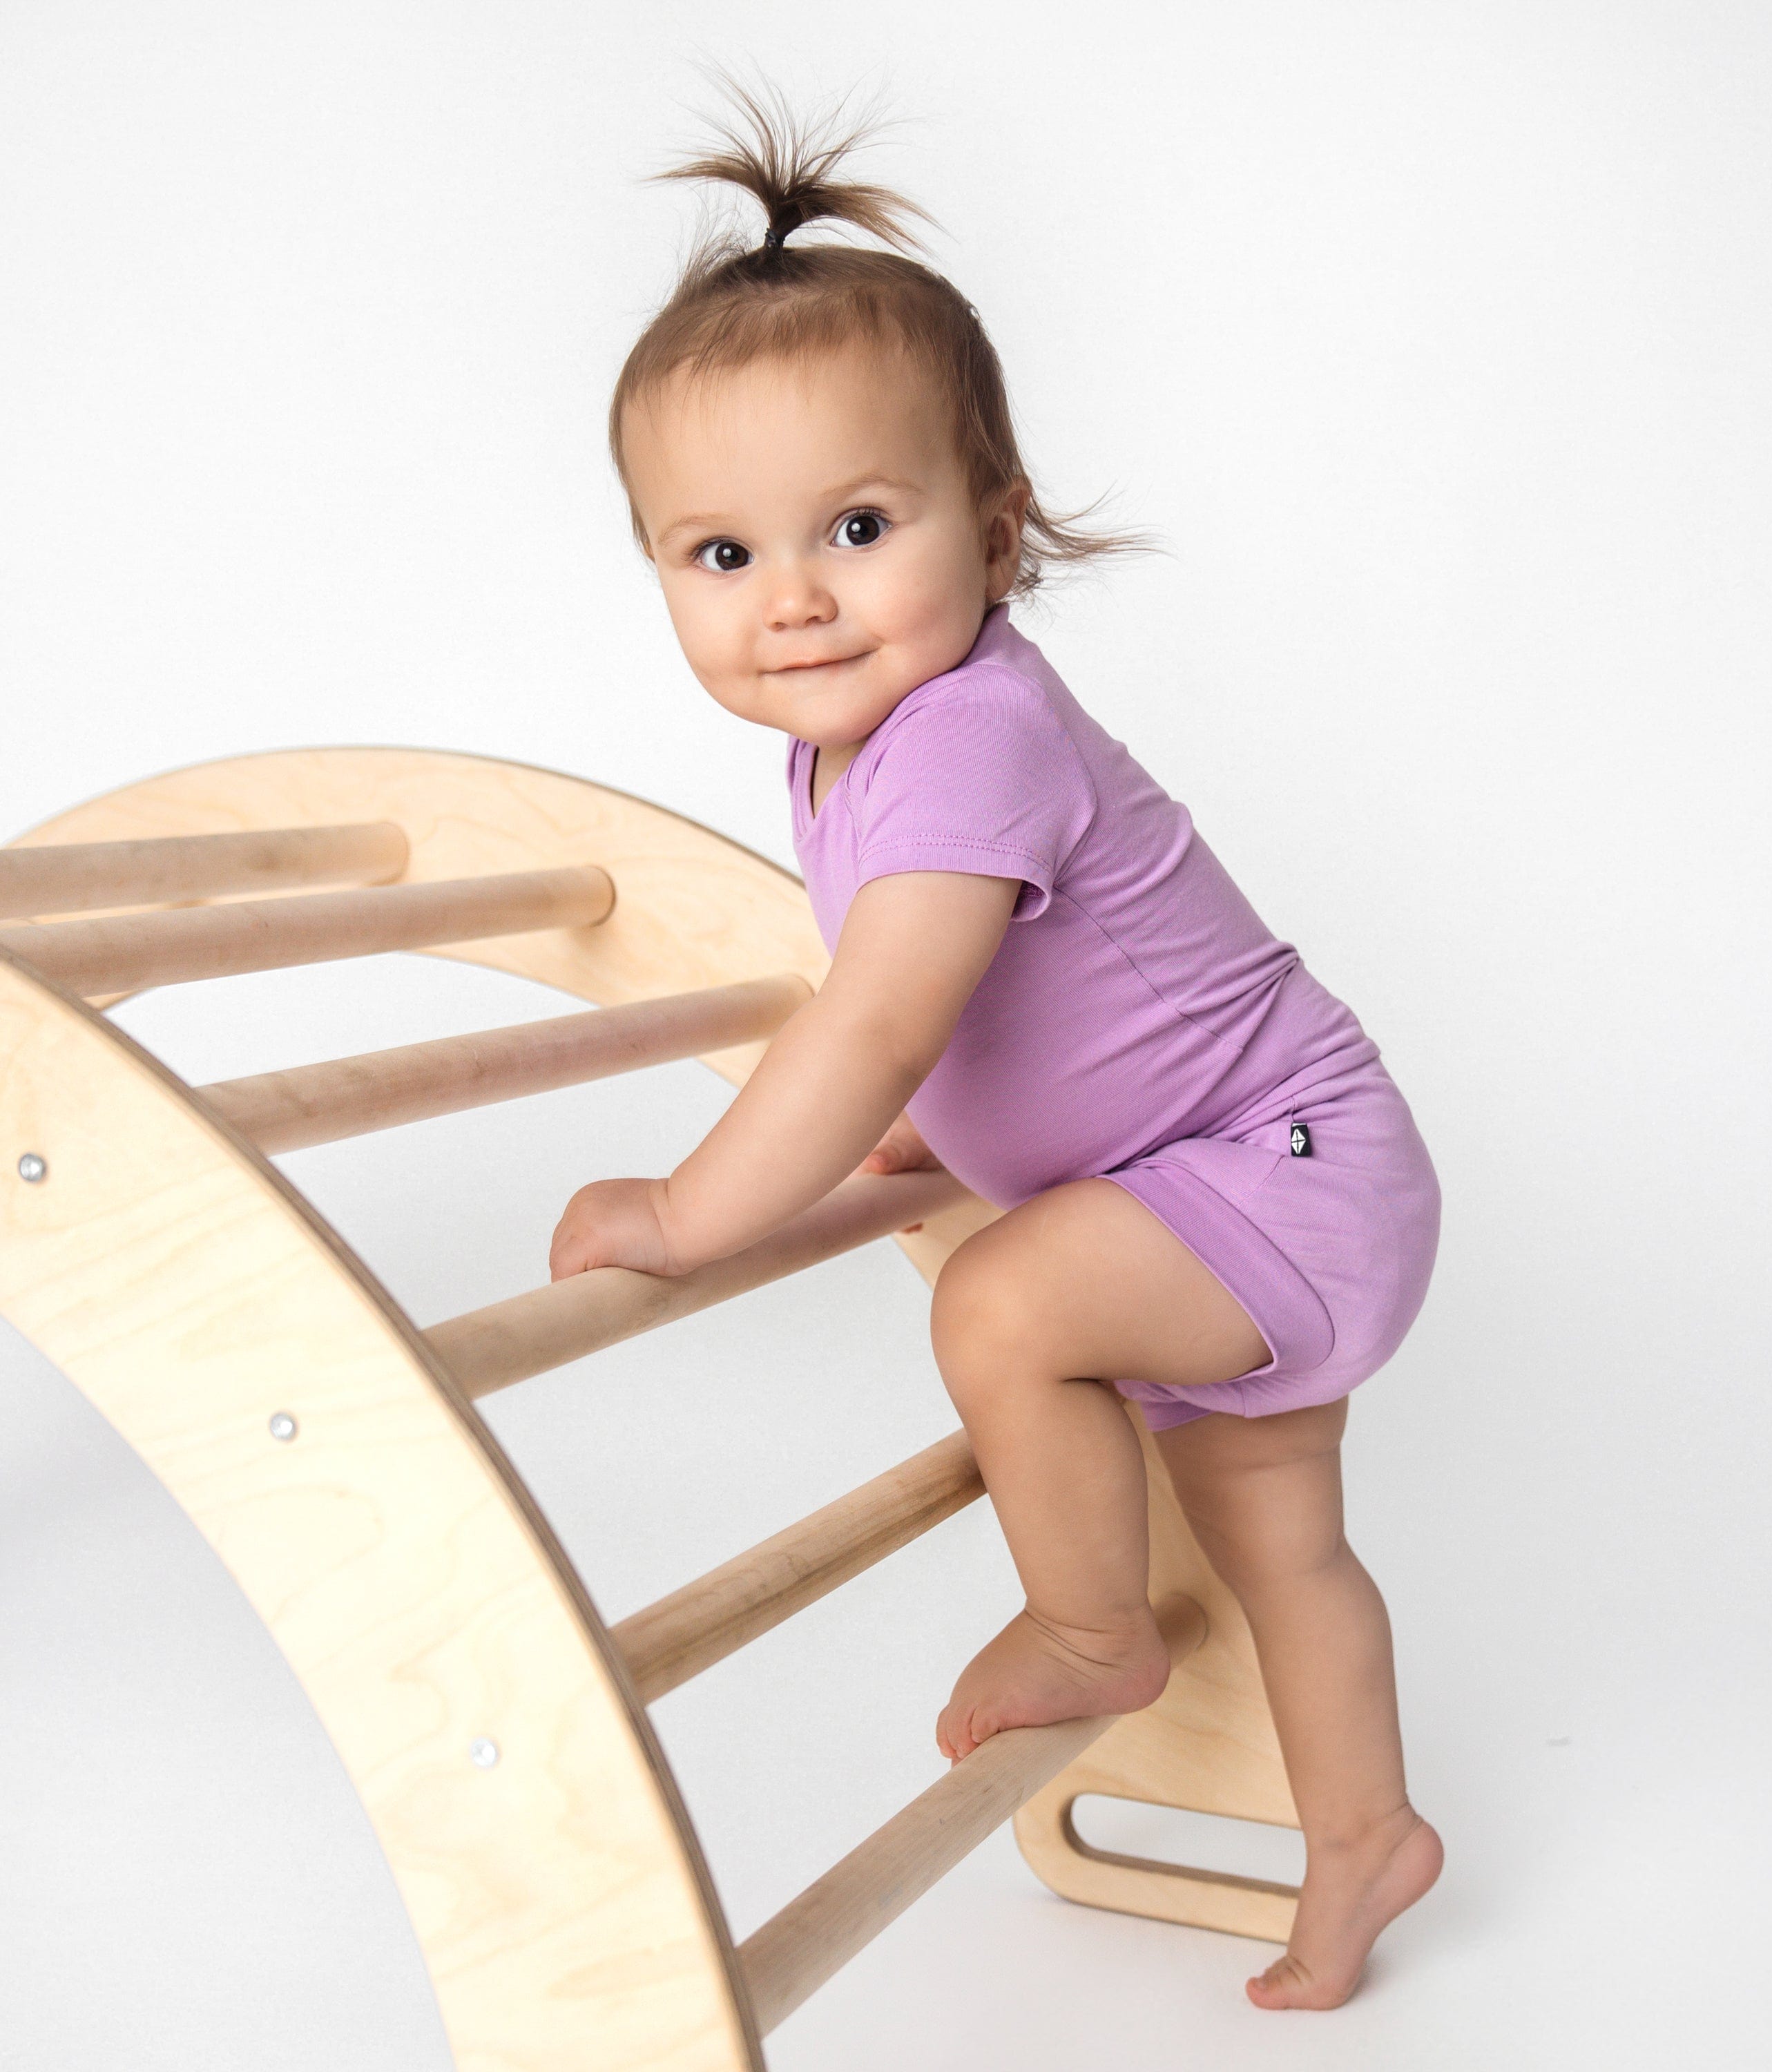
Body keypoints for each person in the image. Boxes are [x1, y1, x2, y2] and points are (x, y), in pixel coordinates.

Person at [550, 86, 1444, 2011]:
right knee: (1287, 1548)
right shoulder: (850, 736)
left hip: (1279, 1164)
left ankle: (1087, 1625)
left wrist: (696, 1212)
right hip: (1257, 1168)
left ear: (1000, 524)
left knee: (1008, 1311)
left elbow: (879, 1018)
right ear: (657, 568)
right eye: (718, 553)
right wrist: (953, 1137)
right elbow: (1016, 1020)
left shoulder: (965, 735)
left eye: (858, 527)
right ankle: (1365, 1835)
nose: (791, 596)